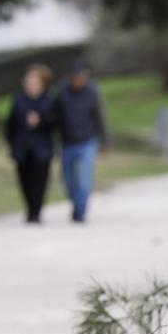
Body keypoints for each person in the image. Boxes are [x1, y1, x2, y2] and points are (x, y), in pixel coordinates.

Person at [53, 61, 108, 223]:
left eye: (81, 77)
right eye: (75, 77)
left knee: (84, 180)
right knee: (69, 180)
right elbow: (53, 118)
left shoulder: (92, 92)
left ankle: (80, 212)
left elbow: (99, 116)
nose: (78, 80)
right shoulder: (61, 92)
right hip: (67, 142)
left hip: (87, 142)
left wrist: (105, 140)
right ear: (70, 77)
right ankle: (76, 204)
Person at [4, 64, 55, 223]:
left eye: (33, 81)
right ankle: (30, 208)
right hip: (22, 147)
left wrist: (40, 122)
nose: (29, 83)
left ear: (42, 82)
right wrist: (11, 142)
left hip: (42, 148)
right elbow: (10, 123)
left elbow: (55, 122)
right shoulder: (19, 100)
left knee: (39, 181)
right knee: (24, 180)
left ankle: (36, 211)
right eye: (28, 80)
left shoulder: (49, 100)